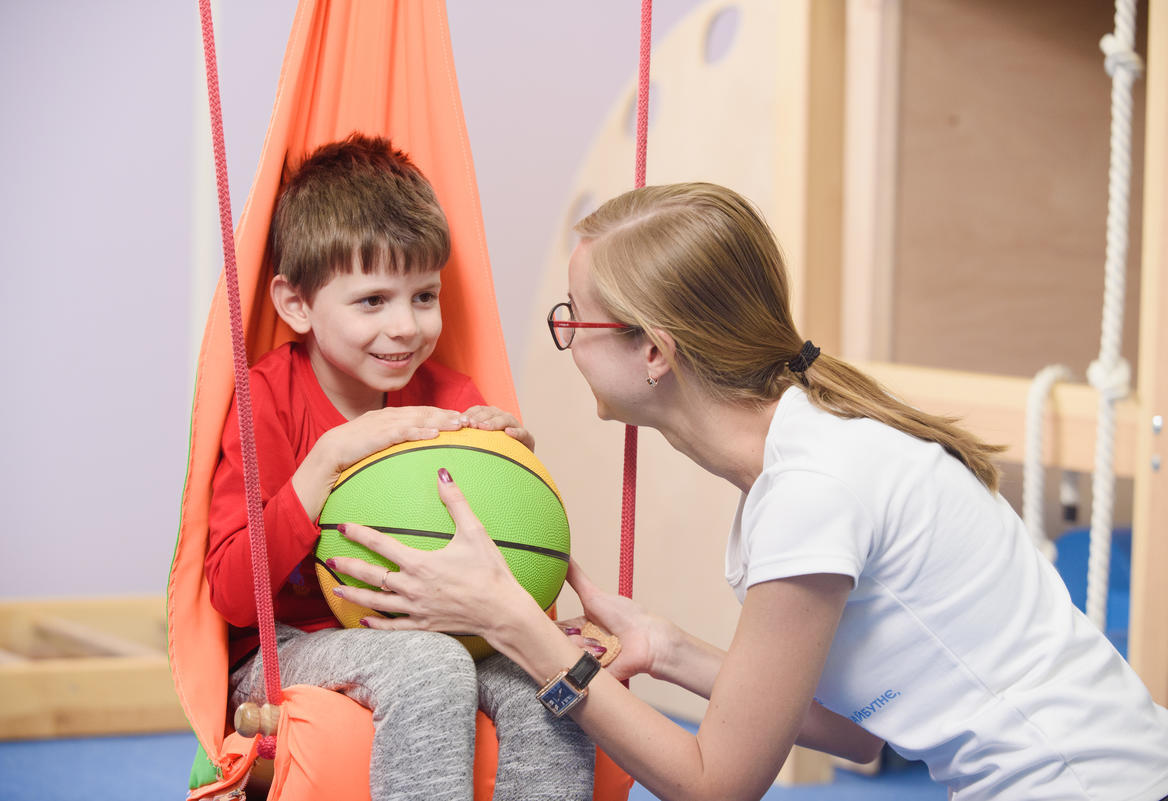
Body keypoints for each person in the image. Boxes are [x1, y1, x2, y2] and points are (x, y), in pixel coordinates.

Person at [326, 182, 1168, 800]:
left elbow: (715, 783)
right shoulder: (805, 454)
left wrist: (513, 623)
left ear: (653, 353)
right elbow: (863, 730)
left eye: (571, 320)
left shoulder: (812, 486)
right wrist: (667, 646)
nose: (566, 343)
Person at [205, 133, 598, 801]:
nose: (406, 326)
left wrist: (509, 474)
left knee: (556, 675)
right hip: (295, 641)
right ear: (296, 304)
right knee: (429, 664)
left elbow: (512, 569)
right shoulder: (264, 402)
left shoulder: (451, 399)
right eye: (372, 301)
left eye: (423, 296)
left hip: (449, 623)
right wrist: (324, 462)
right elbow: (233, 595)